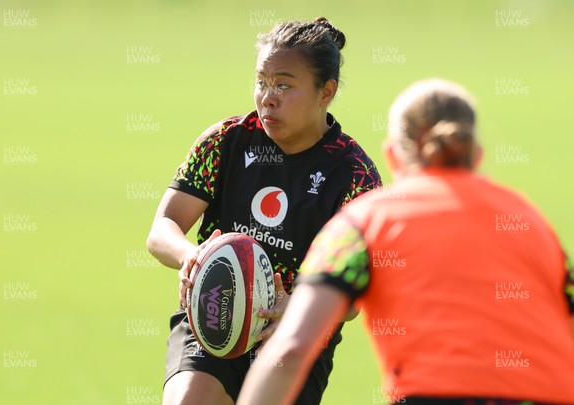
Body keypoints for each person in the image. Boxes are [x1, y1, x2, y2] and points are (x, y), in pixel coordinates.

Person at [238, 78, 574, 405]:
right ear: (476, 155)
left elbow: (293, 347)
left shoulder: (364, 221)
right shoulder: (529, 219)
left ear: (393, 156)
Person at [146, 17, 383, 405]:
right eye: (262, 82)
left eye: (284, 85)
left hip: (294, 339)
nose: (267, 97)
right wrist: (194, 257)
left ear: (326, 92)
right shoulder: (226, 141)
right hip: (214, 317)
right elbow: (162, 228)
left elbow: (357, 296)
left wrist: (302, 304)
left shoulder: (355, 175)